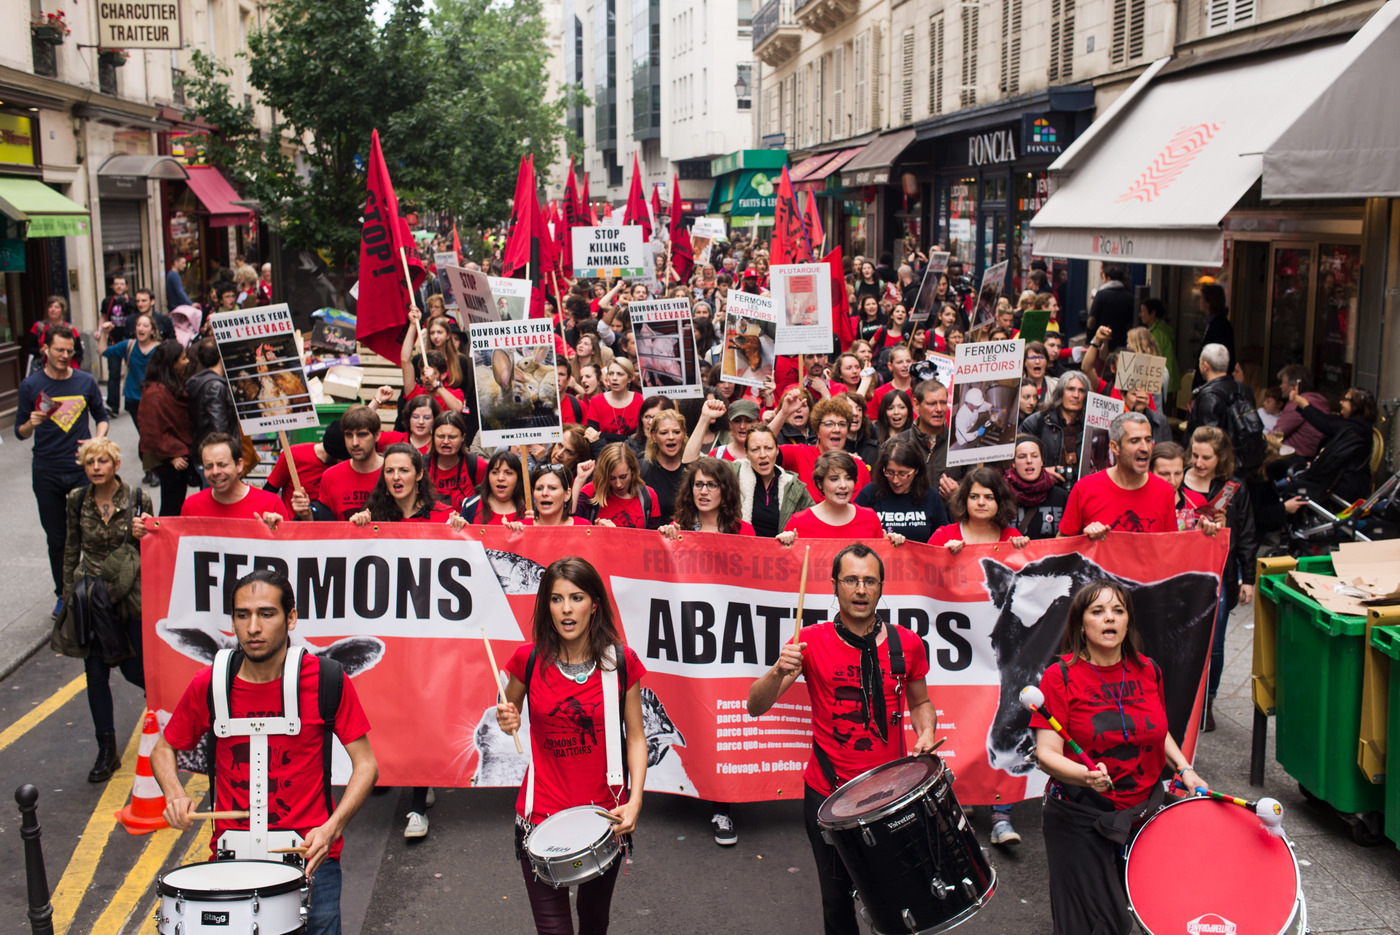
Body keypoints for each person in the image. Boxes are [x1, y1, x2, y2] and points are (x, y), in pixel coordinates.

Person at [152, 570, 379, 935]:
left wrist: (332, 828)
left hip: (310, 860)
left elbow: (366, 765)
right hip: (231, 863)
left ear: (290, 618)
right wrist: (175, 794)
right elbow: (164, 748)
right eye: (242, 615)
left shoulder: (326, 679)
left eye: (266, 613)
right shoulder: (209, 684)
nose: (253, 627)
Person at [746, 543, 937, 935]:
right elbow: (755, 706)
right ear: (835, 586)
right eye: (851, 580)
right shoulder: (810, 642)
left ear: (882, 587)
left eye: (869, 581)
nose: (861, 589)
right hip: (828, 795)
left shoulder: (907, 644)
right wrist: (778, 669)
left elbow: (922, 702)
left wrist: (927, 732)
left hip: (890, 796)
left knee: (900, 903)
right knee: (836, 905)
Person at [1031, 580, 1205, 935]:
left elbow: (1157, 730)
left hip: (1143, 810)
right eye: (1097, 611)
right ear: (1081, 624)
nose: (1109, 618)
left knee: (1168, 910)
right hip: (1082, 814)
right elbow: (1046, 755)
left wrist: (1185, 768)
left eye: (1118, 610)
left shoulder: (1148, 670)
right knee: (1102, 926)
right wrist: (1084, 776)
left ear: (1128, 622)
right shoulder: (1059, 677)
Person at [495, 557, 647, 935]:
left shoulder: (620, 662)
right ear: (546, 605)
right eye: (556, 598)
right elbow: (506, 708)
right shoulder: (527, 659)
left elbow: (637, 737)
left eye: (576, 598)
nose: (566, 609)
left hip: (604, 819)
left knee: (594, 923)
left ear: (593, 604)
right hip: (540, 816)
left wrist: (636, 800)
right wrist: (506, 718)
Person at [52, 438, 152, 782]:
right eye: (90, 462)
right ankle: (106, 749)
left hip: (129, 597)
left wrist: (145, 534)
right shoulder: (77, 500)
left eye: (102, 461)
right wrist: (67, 596)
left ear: (115, 465)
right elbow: (71, 548)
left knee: (137, 670)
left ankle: (166, 731)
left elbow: (156, 546)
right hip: (90, 598)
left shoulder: (138, 498)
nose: (96, 467)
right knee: (95, 674)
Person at [16, 324, 110, 616]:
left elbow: (102, 416)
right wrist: (31, 423)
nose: (64, 355)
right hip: (46, 471)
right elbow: (20, 432)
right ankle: (63, 593)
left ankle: (97, 591)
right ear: (45, 349)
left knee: (92, 533)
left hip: (81, 470)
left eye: (69, 351)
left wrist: (98, 438)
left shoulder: (84, 381)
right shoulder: (31, 386)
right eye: (59, 350)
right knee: (57, 538)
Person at [1182, 427, 1257, 731]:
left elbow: (1248, 534)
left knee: (1214, 643)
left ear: (1221, 457)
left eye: (1206, 457)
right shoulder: (1178, 479)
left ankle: (1207, 703)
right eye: (1195, 455)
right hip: (1183, 568)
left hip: (1218, 570)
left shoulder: (1233, 488)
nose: (1198, 463)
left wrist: (1248, 577)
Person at [1060, 413, 1218, 539]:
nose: (1145, 448)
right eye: (1135, 441)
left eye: (1148, 440)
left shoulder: (1164, 491)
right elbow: (1061, 544)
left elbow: (1169, 549)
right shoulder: (1085, 488)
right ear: (1115, 447)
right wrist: (1083, 538)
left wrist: (1198, 536)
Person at [1282, 385, 1378, 506]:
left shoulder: (1357, 428)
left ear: (1357, 406)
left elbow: (1325, 424)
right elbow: (1326, 419)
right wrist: (1301, 403)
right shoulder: (1350, 422)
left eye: (1345, 400)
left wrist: (1303, 404)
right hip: (1336, 478)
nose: (1340, 402)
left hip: (1346, 483)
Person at [769, 397, 872, 501]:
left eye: (842, 424)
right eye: (829, 424)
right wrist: (783, 413)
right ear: (817, 431)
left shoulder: (859, 467)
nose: (836, 429)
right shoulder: (799, 454)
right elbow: (762, 446)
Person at [136, 340, 194, 515]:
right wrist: (171, 456)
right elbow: (152, 431)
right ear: (172, 363)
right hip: (168, 461)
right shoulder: (155, 393)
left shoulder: (171, 386)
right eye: (183, 359)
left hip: (176, 456)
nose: (187, 362)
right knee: (171, 508)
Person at [180, 434, 292, 524]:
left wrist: (277, 532)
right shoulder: (191, 506)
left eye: (222, 464)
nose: (215, 472)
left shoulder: (271, 504)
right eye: (208, 466)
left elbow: (288, 548)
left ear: (239, 465)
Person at [782, 451, 891, 542]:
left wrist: (894, 545)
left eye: (848, 478)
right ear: (820, 483)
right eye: (834, 479)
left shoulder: (869, 518)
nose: (843, 485)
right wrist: (783, 545)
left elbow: (881, 562)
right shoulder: (799, 522)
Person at [854, 439, 949, 543]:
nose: (895, 480)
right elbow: (853, 530)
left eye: (902, 474)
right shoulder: (870, 493)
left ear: (916, 470)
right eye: (890, 473)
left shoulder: (931, 496)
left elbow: (944, 537)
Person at [730, 424, 815, 538]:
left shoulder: (793, 486)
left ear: (777, 450)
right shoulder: (734, 472)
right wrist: (705, 418)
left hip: (779, 554)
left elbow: (813, 524)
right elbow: (699, 466)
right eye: (755, 449)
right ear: (746, 453)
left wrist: (793, 535)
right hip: (741, 552)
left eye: (768, 448)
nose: (763, 455)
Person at [304, 406, 384, 521]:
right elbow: (323, 524)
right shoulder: (330, 476)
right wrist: (307, 514)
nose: (355, 442)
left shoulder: (392, 473)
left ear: (377, 435)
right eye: (349, 435)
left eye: (362, 434)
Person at [932, 467, 1030, 551]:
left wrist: (1019, 552)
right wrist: (943, 556)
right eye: (974, 497)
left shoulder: (1013, 538)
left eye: (989, 497)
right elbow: (924, 570)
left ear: (1000, 502)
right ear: (964, 499)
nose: (981, 503)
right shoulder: (943, 536)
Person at [659, 457, 755, 539]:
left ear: (725, 490)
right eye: (698, 484)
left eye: (712, 485)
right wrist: (667, 539)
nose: (703, 492)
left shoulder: (744, 531)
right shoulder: (676, 528)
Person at [1019, 370, 1091, 477]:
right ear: (1060, 392)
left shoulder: (1089, 425)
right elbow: (1019, 460)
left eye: (1081, 391)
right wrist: (1043, 472)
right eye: (1071, 389)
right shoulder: (1037, 422)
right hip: (1047, 488)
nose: (1076, 395)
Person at [97, 312, 161, 428]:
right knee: (143, 432)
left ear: (152, 331)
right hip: (133, 397)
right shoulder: (129, 345)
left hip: (153, 397)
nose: (141, 328)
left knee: (153, 431)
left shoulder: (160, 349)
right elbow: (103, 351)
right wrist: (104, 334)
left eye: (145, 326)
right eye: (138, 325)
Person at [579, 442, 661, 529]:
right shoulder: (594, 490)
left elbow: (652, 537)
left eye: (623, 477)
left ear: (632, 470)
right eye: (612, 478)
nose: (618, 484)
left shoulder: (648, 496)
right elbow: (571, 519)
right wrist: (579, 480)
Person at [185, 337, 242, 460]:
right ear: (221, 357)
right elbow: (219, 429)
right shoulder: (214, 387)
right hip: (218, 455)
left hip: (209, 451)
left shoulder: (202, 381)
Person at [1007, 436, 1070, 539]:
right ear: (1013, 463)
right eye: (1022, 456)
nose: (1029, 461)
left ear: (1041, 461)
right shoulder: (1002, 495)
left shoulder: (1061, 497)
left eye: (1035, 456)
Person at [1186, 343, 1243, 440]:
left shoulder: (1209, 397)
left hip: (1219, 453)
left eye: (1199, 361)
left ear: (1205, 366)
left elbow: (1207, 438)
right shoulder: (1243, 389)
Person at [639, 409, 688, 520]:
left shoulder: (693, 467)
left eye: (676, 432)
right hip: (654, 534)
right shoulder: (642, 469)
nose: (671, 437)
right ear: (654, 436)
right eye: (664, 433)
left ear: (683, 433)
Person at [461, 450, 528, 524]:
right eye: (495, 472)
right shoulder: (471, 505)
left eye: (508, 473)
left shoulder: (529, 507)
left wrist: (534, 523)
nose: (500, 478)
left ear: (518, 477)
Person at [100, 275, 135, 412]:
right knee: (114, 373)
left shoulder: (131, 301)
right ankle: (113, 405)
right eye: (116, 284)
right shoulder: (107, 301)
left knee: (133, 371)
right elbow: (103, 316)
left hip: (128, 341)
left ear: (126, 286)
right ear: (112, 286)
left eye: (122, 284)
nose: (119, 286)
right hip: (113, 341)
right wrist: (100, 330)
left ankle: (132, 401)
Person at [27, 295, 85, 374]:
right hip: (43, 368)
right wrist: (40, 351)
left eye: (56, 307)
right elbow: (30, 349)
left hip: (66, 368)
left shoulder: (70, 329)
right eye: (50, 306)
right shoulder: (38, 327)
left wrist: (64, 353)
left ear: (62, 310)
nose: (53, 310)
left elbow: (79, 351)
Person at [588, 360, 644, 440]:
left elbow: (641, 437)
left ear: (629, 378)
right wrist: (627, 438)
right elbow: (591, 436)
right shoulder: (596, 400)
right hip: (603, 450)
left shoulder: (640, 400)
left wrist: (602, 435)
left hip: (633, 450)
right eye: (611, 374)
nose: (614, 378)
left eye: (619, 374)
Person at [1194, 283, 1236, 387]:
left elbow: (1216, 355)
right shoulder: (1212, 323)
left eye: (1202, 298)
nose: (1199, 301)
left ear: (1209, 302)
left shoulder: (1219, 325)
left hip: (1213, 380)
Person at [1086, 263, 1133, 350]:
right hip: (1122, 343)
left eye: (1103, 277)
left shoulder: (1101, 295)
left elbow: (1091, 320)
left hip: (1102, 343)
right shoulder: (1129, 297)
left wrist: (1090, 339)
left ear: (1108, 278)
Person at [1138, 298, 1178, 391]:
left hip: (1162, 382)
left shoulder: (1157, 334)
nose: (1140, 315)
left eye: (1143, 312)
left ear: (1153, 313)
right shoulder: (1160, 330)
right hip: (1166, 380)